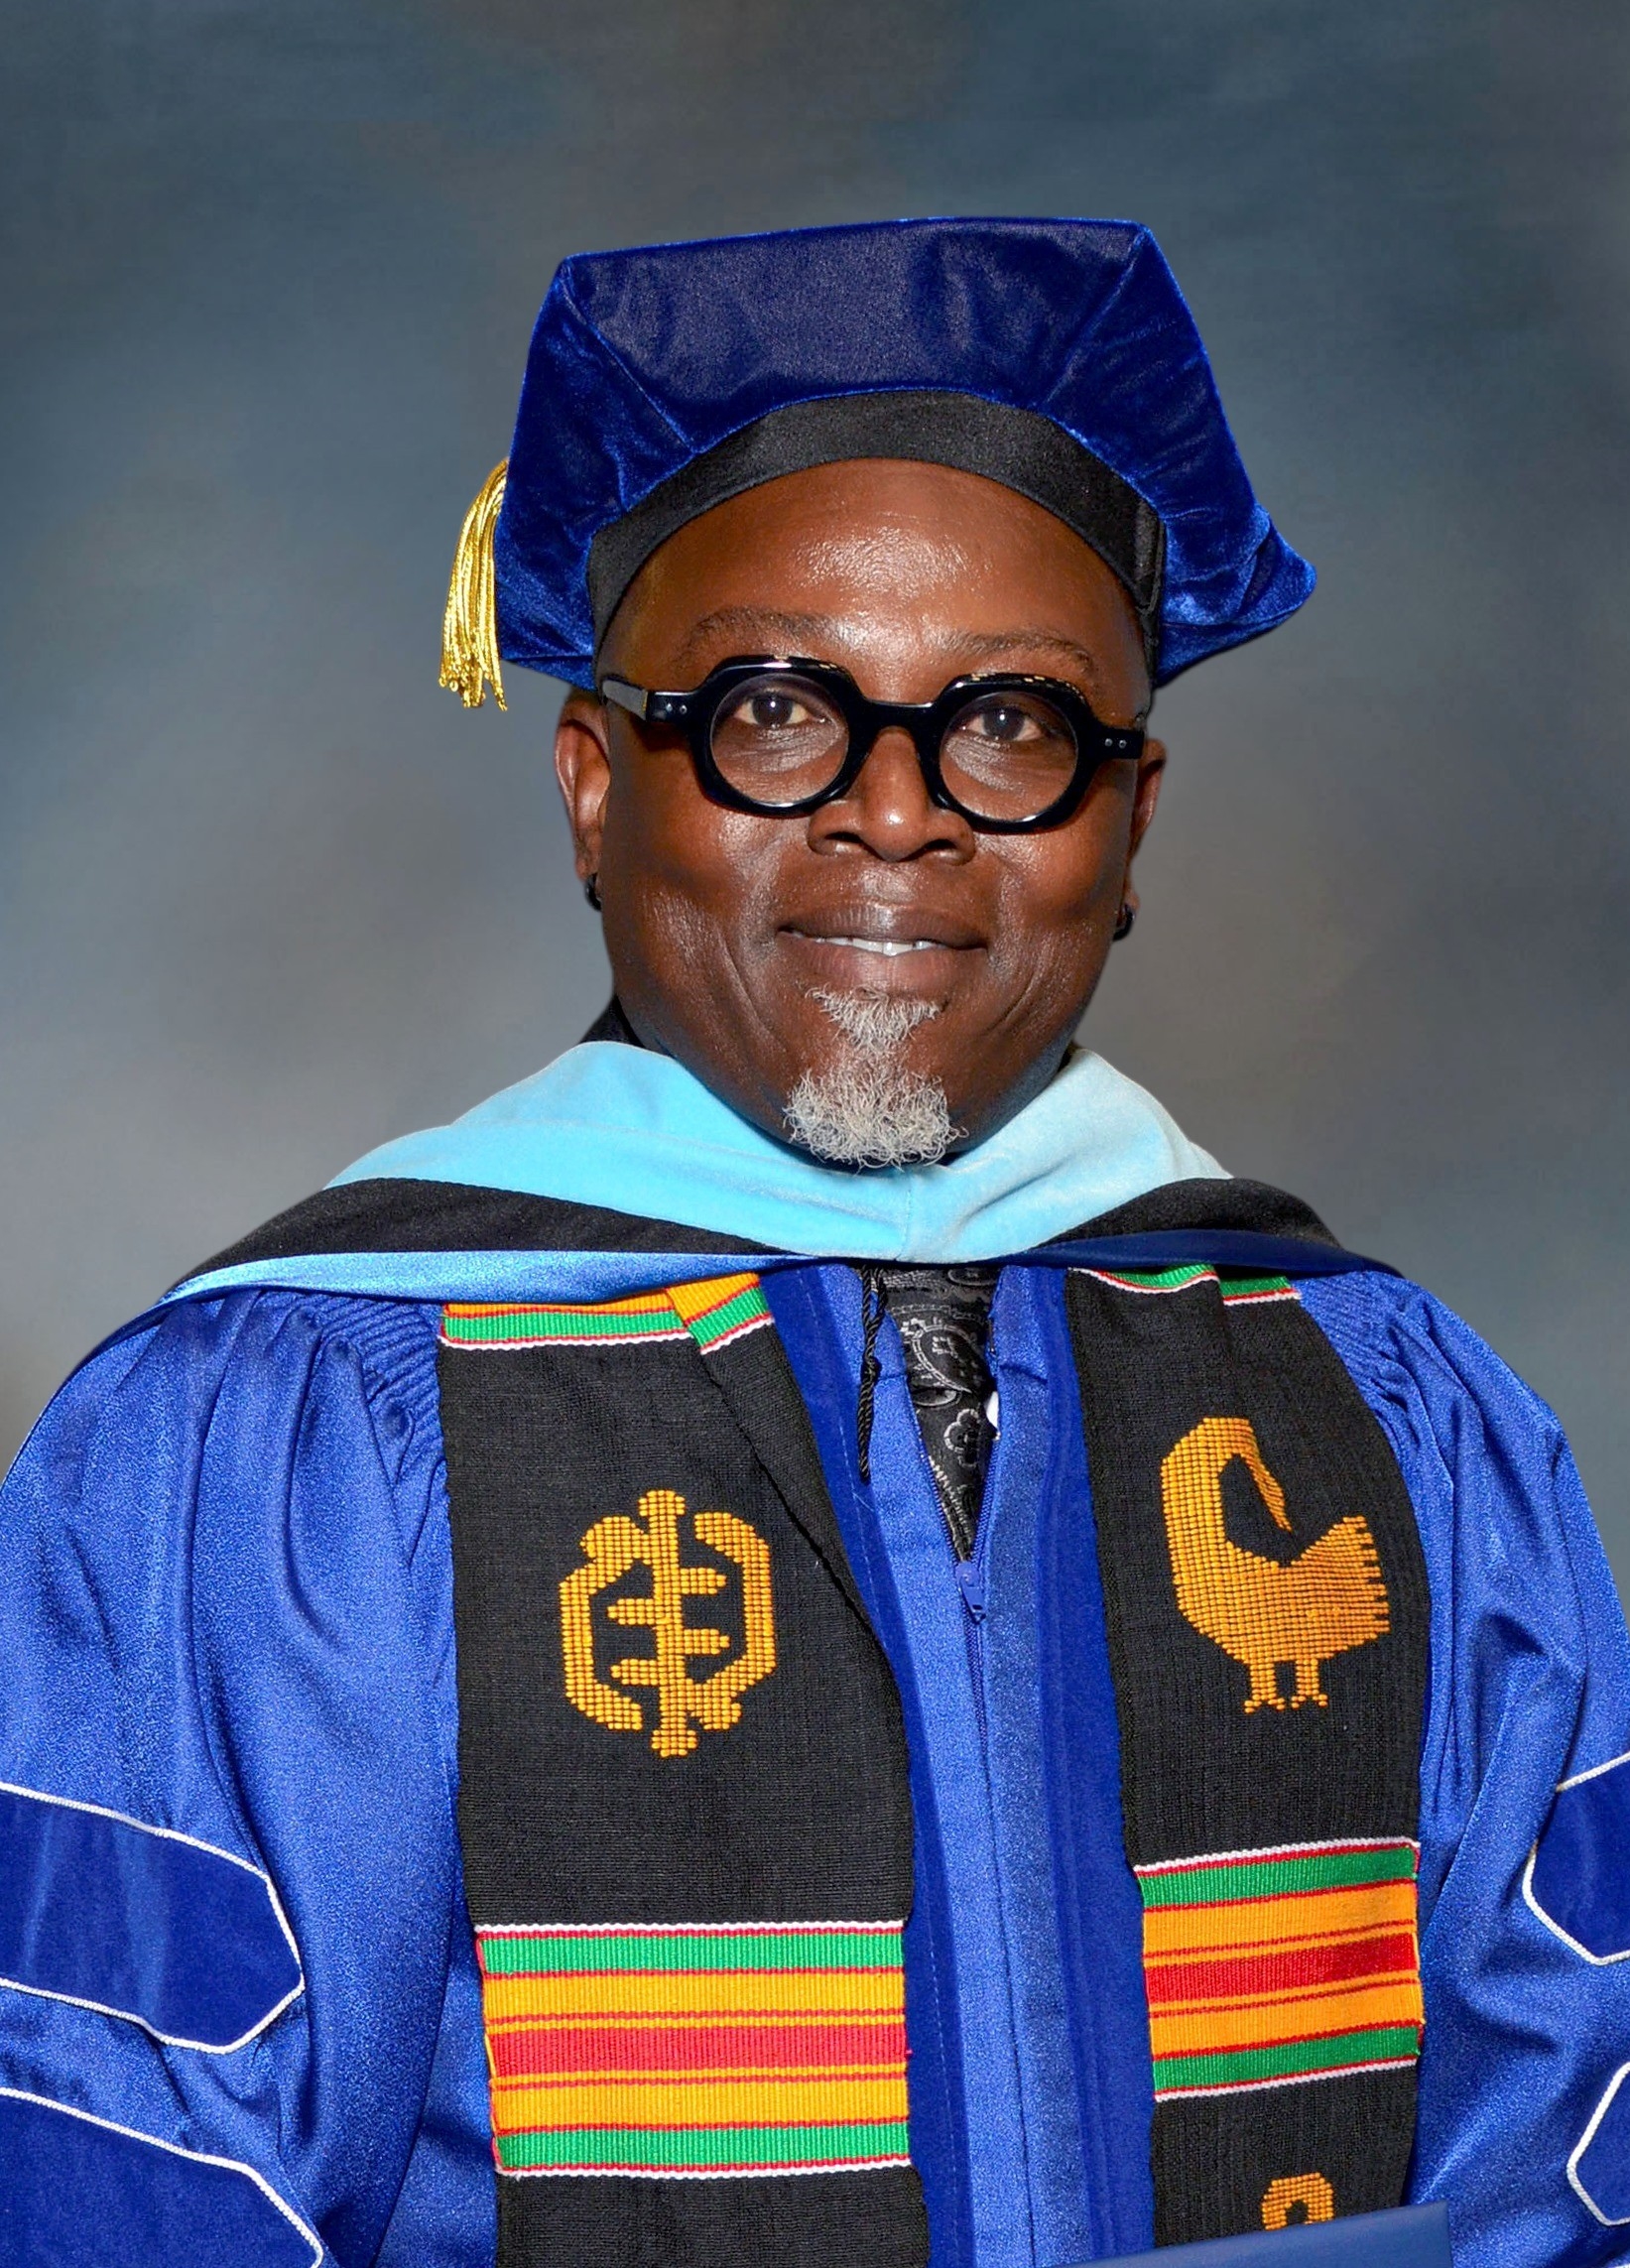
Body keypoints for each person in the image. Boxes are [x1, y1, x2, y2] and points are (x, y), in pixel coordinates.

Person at [0, 218, 1625, 2268]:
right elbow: (122, 2192)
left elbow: (1573, 2156)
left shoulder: (1397, 1415)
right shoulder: (277, 1441)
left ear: (1130, 823)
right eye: (775, 709)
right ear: (595, 790)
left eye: (1013, 723)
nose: (898, 813)